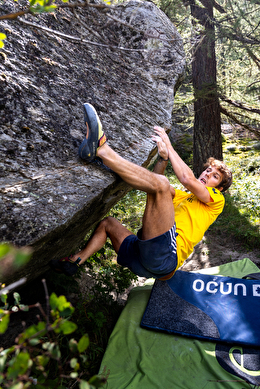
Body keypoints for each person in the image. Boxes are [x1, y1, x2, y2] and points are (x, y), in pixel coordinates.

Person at [50, 103, 232, 280]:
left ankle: (102, 150)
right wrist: (163, 158)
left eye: (215, 176)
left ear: (220, 188)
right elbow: (152, 185)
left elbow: (187, 179)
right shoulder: (184, 196)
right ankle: (75, 261)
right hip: (145, 259)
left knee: (162, 184)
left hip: (166, 257)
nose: (208, 174)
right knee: (108, 224)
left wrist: (169, 146)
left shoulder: (216, 200)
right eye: (208, 170)